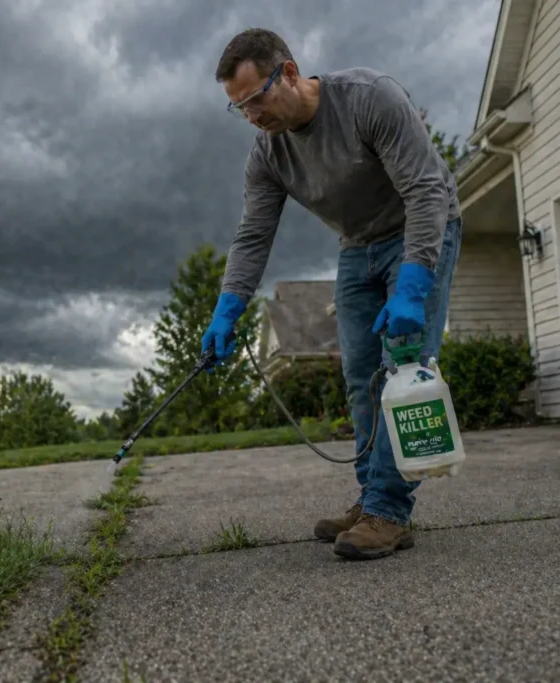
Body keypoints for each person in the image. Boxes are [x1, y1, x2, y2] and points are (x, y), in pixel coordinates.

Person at [201, 28, 463, 560]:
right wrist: (228, 309)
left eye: (256, 99)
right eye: (239, 108)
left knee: (401, 367)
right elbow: (253, 236)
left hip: (422, 230)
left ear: (290, 73)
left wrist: (413, 284)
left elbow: (426, 190)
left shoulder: (370, 98)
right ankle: (373, 497)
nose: (252, 116)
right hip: (357, 247)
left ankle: (389, 510)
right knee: (360, 375)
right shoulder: (268, 155)